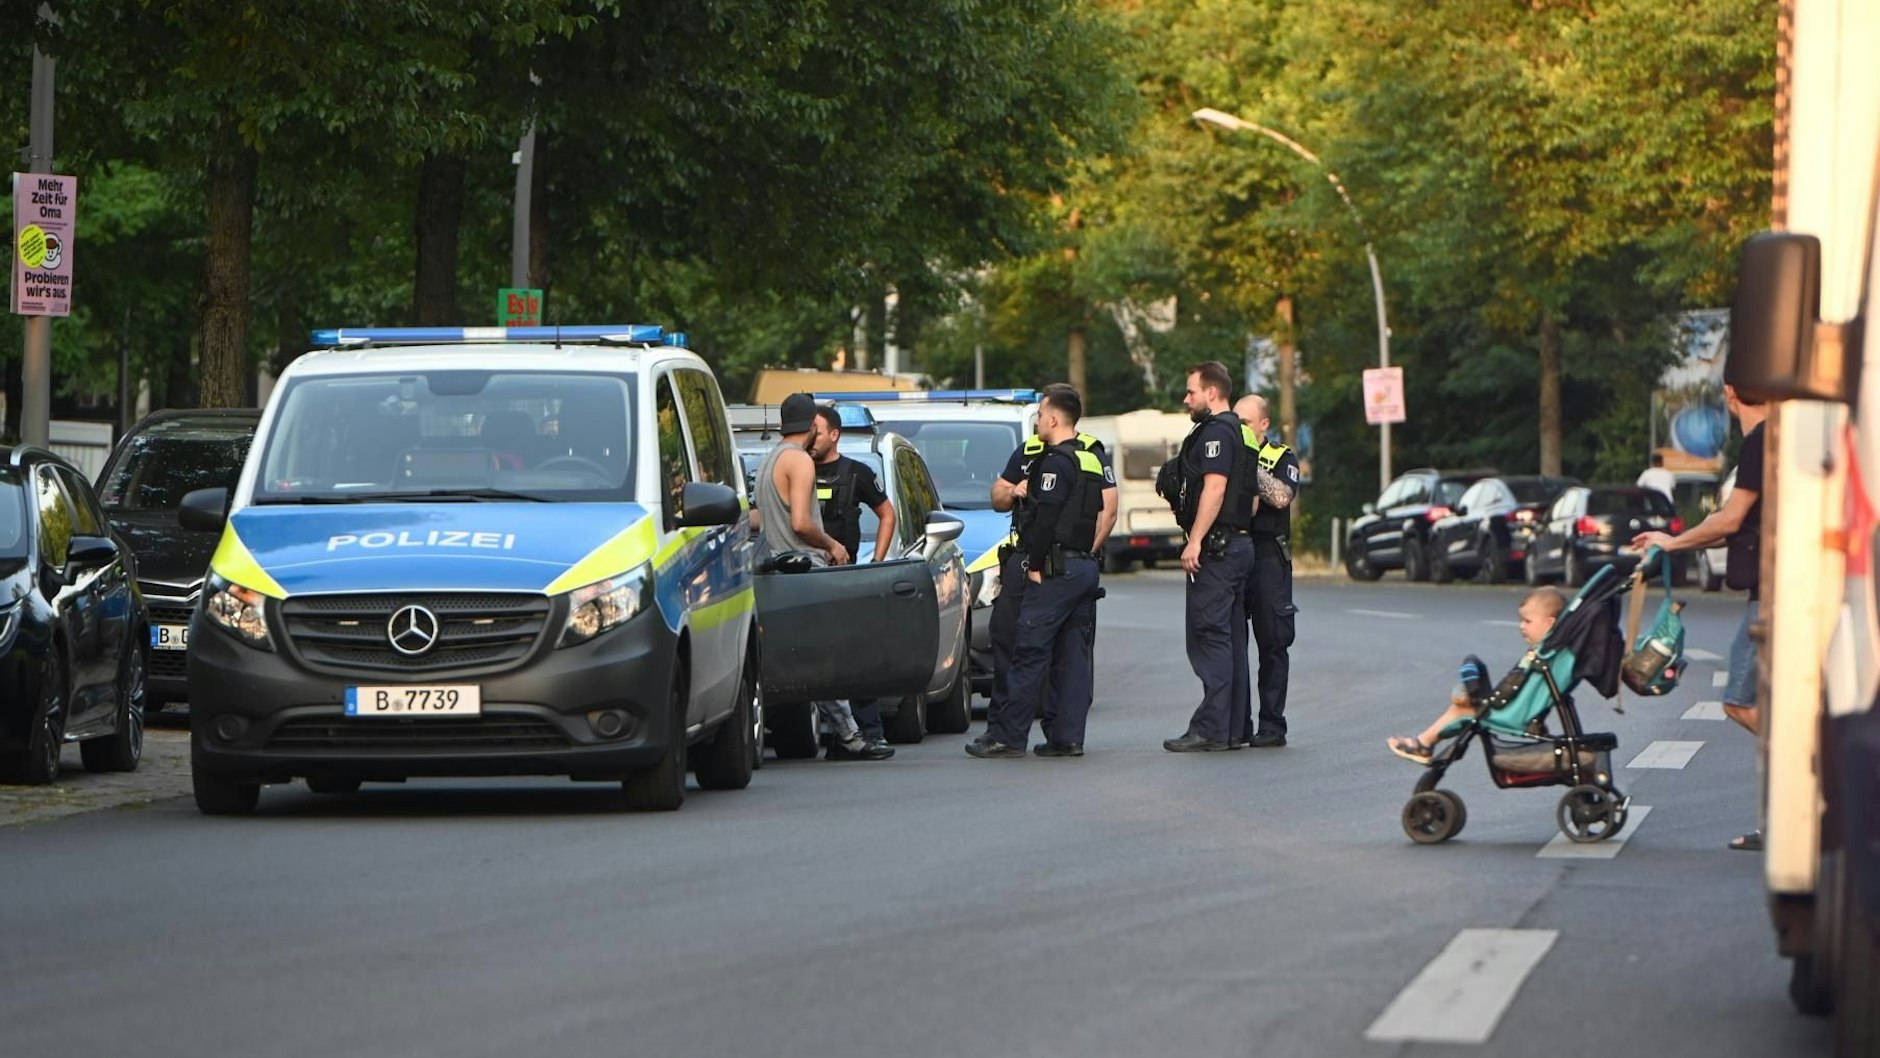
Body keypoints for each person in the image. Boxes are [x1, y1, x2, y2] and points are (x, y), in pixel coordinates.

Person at [1630, 384, 1766, 849]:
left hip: (1773, 596)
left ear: (1731, 393)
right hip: (1774, 589)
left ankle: (1810, 778)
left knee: (1740, 701)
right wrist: (1675, 540)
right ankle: (1788, 815)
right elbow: (1732, 528)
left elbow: (1730, 520)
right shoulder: (1783, 438)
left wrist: (1671, 542)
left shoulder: (1762, 441)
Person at [968, 386, 1106, 758]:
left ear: (1054, 418)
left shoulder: (1056, 462)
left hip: (1053, 568)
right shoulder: (1089, 458)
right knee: (1072, 656)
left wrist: (1034, 565)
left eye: (1042, 412)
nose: (1038, 418)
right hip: (1082, 566)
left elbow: (1046, 520)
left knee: (1027, 651)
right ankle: (1066, 737)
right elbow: (1099, 511)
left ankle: (1008, 737)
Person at [752, 393, 889, 761]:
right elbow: (800, 523)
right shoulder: (799, 461)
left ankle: (847, 735)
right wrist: (834, 545)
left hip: (774, 572)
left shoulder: (769, 460)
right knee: (828, 657)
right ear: (813, 426)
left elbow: (758, 520)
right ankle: (850, 736)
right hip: (804, 569)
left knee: (808, 657)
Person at [1163, 361, 1259, 752]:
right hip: (1240, 546)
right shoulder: (1245, 434)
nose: (1187, 399)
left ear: (1212, 393)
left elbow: (1215, 488)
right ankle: (1235, 728)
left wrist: (1195, 540)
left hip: (1217, 551)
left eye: (1191, 392)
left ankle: (1212, 729)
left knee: (1210, 637)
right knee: (1233, 640)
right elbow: (1250, 502)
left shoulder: (1217, 432)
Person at [1386, 587, 1567, 763]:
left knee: (1461, 709)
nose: (1521, 626)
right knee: (1468, 688)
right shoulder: (1553, 653)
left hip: (1515, 715)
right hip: (1521, 710)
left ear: (1549, 623)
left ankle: (1423, 744)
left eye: (1527, 621)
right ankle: (1428, 739)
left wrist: (1485, 700)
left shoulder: (1543, 656)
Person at [811, 405, 898, 760]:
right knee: (817, 659)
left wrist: (875, 563)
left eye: (817, 430)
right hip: (806, 579)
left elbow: (886, 513)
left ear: (834, 434)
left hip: (844, 579)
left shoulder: (856, 473)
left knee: (855, 656)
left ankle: (868, 730)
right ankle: (834, 734)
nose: (811, 437)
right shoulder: (797, 471)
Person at [1233, 394, 1300, 749]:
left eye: (1244, 423)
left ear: (1263, 425)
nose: (1238, 428)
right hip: (1232, 551)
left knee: (1272, 642)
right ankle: (1234, 723)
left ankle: (1272, 725)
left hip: (1267, 555)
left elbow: (1281, 497)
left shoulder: (1279, 456)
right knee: (1229, 643)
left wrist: (1247, 463)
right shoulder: (1226, 452)